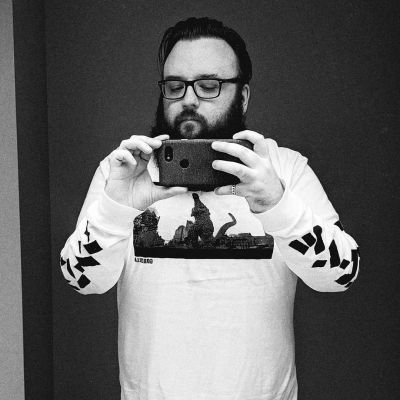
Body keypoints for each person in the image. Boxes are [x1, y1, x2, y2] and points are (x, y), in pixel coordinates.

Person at [60, 17, 360, 400]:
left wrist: (277, 204)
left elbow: (340, 275)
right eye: (175, 86)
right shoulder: (124, 172)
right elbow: (83, 280)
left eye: (208, 86)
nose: (188, 99)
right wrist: (117, 209)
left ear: (243, 97)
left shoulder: (282, 169)